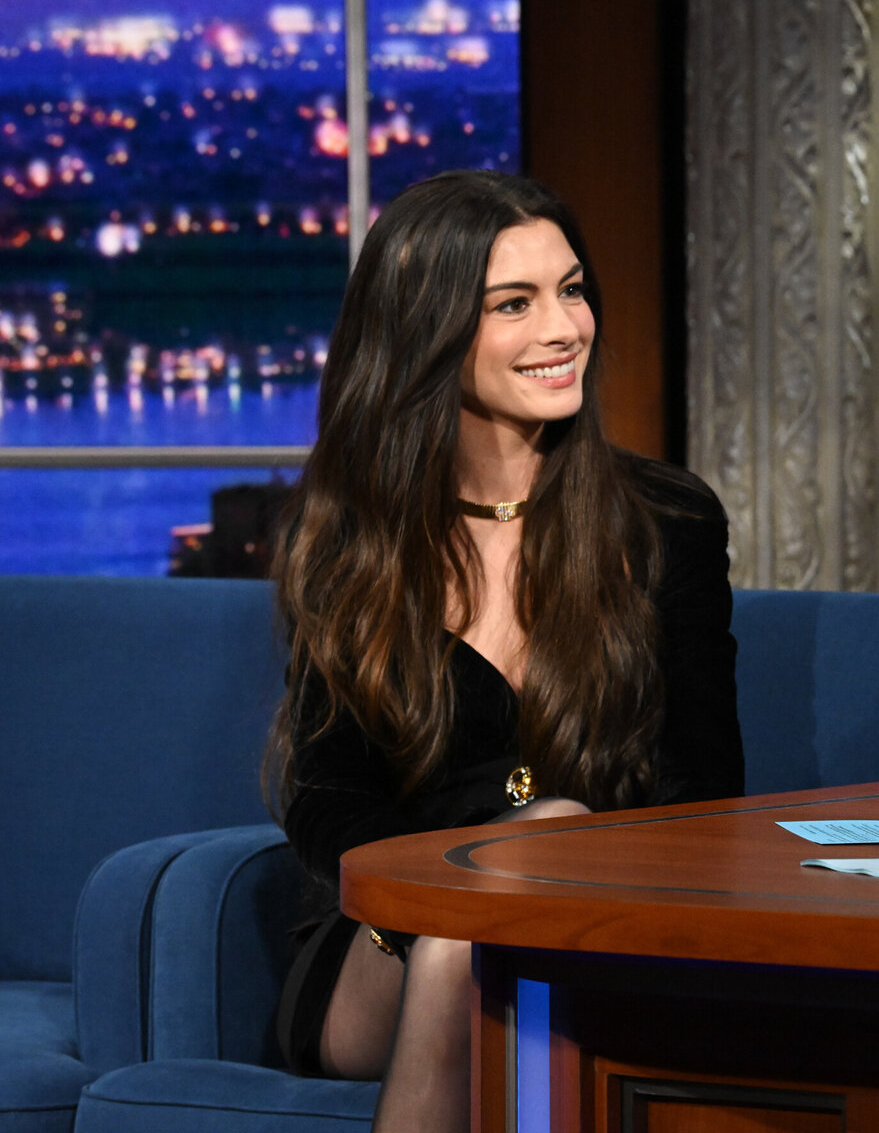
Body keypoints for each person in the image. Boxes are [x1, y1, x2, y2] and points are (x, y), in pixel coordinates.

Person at [264, 170, 742, 1132]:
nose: (564, 328)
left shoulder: (665, 521)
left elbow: (704, 790)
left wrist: (541, 863)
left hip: (606, 925)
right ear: (429, 330)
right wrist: (460, 883)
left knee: (526, 860)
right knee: (466, 921)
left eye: (572, 291)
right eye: (514, 304)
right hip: (387, 941)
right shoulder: (352, 532)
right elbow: (326, 799)